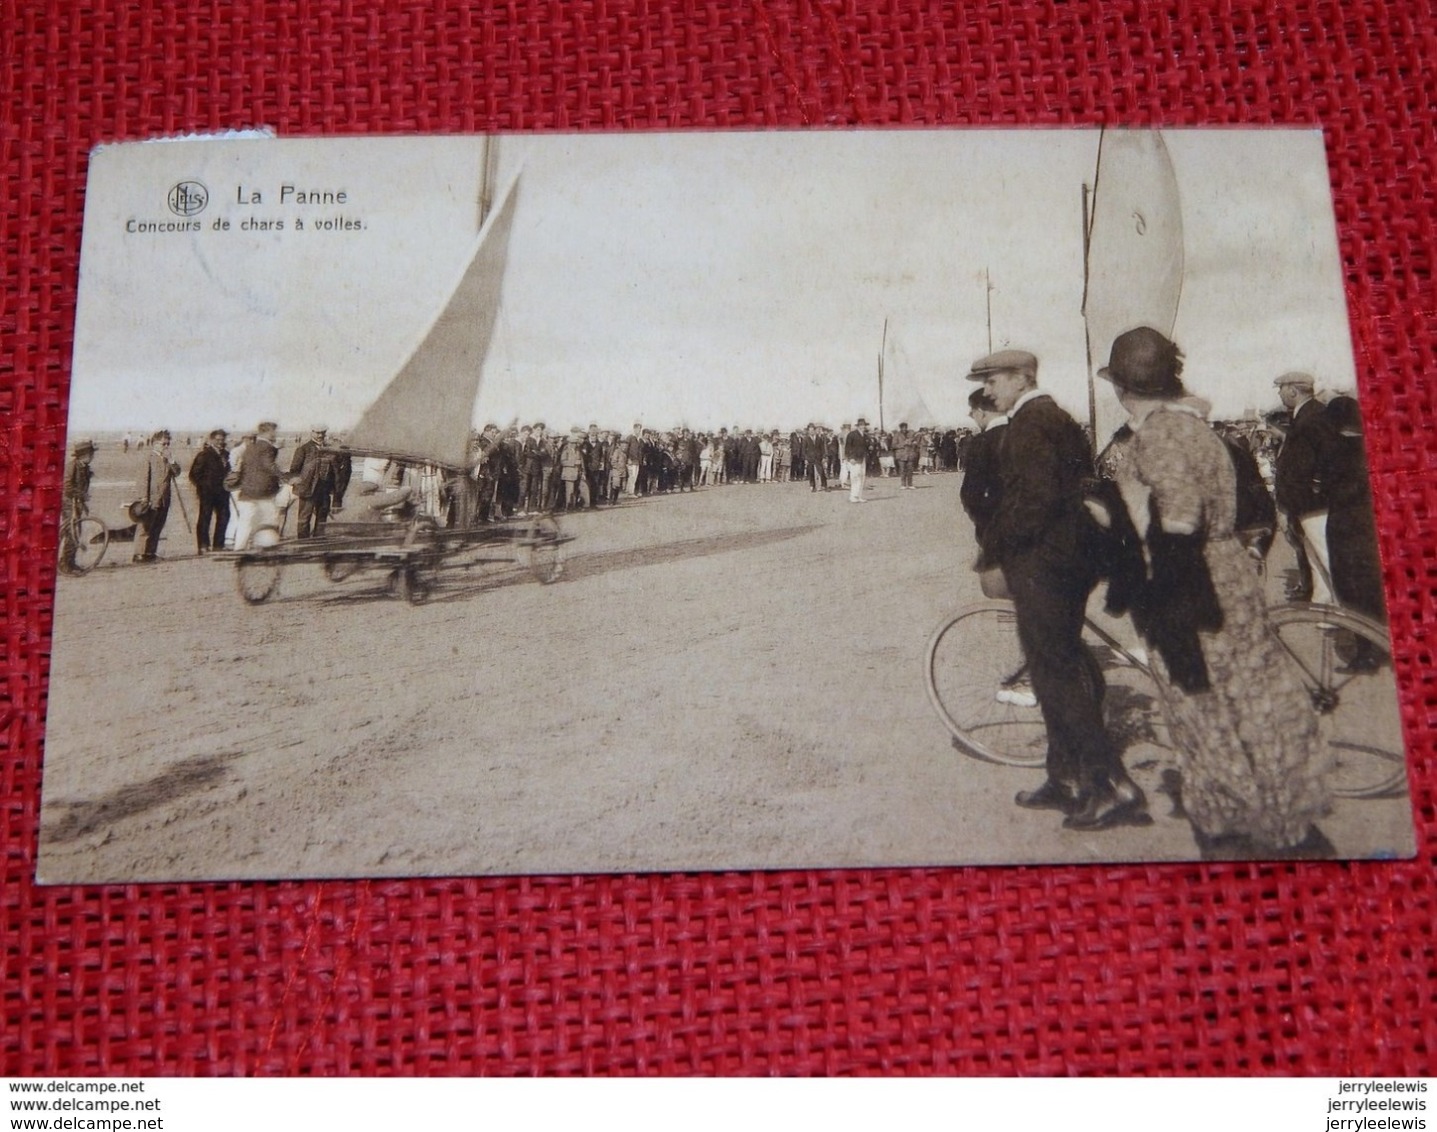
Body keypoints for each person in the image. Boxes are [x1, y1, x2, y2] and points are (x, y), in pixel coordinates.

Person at [1096, 327, 1330, 855]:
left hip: (1191, 584)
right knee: (1250, 701)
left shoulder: (1156, 435)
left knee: (1202, 707)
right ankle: (1284, 818)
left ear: (1122, 387)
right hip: (1230, 572)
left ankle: (1234, 831)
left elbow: (1177, 519)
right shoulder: (1200, 429)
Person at [970, 348, 1148, 831]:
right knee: (1058, 670)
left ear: (1022, 378)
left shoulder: (1029, 424)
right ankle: (1064, 776)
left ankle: (1112, 784)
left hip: (1044, 565)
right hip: (1072, 560)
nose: (987, 391)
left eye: (994, 381)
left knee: (1057, 676)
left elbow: (1035, 500)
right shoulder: (1058, 418)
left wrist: (993, 548)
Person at [1273, 372, 1338, 602]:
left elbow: (1323, 460)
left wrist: (1313, 489)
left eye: (1280, 388)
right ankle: (1325, 612)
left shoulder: (1312, 417)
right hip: (1307, 503)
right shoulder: (1310, 415)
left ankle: (1355, 619)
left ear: (1293, 390)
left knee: (1327, 558)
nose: (1279, 393)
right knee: (1315, 559)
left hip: (1313, 503)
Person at [1321, 395, 1386, 626]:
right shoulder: (1375, 444)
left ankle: (1366, 649)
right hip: (1371, 525)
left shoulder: (1336, 452)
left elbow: (1332, 490)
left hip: (1345, 527)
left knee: (1351, 587)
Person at [230, 421, 283, 550]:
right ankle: (267, 546)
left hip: (247, 491)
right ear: (267, 432)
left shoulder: (249, 447)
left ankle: (239, 548)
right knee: (270, 519)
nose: (275, 434)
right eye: (273, 431)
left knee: (245, 522)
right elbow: (269, 465)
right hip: (264, 492)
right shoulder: (267, 447)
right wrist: (285, 477)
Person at [131, 430, 179, 563]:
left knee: (158, 526)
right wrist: (143, 498)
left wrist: (171, 460)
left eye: (168, 444)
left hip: (164, 499)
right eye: (164, 444)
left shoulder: (167, 459)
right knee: (145, 527)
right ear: (155, 444)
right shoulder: (148, 458)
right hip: (150, 499)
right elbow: (143, 479)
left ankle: (150, 552)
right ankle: (139, 554)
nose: (166, 447)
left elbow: (177, 472)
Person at [188, 429, 231, 554]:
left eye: (222, 440)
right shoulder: (204, 455)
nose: (220, 442)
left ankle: (219, 545)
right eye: (217, 440)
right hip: (207, 493)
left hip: (223, 493)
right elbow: (194, 474)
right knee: (205, 518)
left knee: (224, 517)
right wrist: (204, 487)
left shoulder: (227, 455)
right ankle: (203, 546)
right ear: (212, 440)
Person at [59, 438, 97, 573]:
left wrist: (82, 501)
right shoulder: (72, 466)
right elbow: (67, 486)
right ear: (84, 455)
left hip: (77, 503)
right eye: (91, 454)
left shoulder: (84, 468)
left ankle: (70, 562)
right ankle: (65, 564)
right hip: (69, 503)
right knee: (72, 532)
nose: (92, 457)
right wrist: (81, 495)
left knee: (76, 532)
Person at [843, 419, 869, 503]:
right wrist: (850, 458)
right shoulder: (852, 434)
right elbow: (847, 447)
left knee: (862, 476)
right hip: (854, 459)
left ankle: (859, 496)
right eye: (861, 425)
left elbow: (866, 447)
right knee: (855, 477)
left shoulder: (865, 436)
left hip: (862, 458)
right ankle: (853, 496)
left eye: (864, 425)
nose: (863, 426)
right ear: (857, 426)